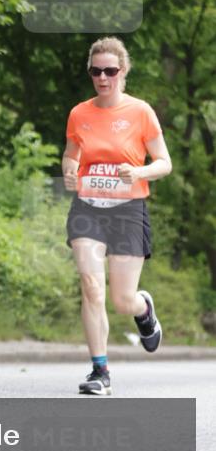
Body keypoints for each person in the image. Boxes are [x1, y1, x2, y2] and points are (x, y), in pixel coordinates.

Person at [62, 36, 172, 396]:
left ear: (123, 72)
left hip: (127, 209)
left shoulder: (140, 112)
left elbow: (164, 163)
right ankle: (99, 371)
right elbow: (71, 155)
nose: (103, 78)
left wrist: (139, 173)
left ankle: (143, 309)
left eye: (110, 71)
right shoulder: (80, 113)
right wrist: (69, 169)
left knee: (121, 299)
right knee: (91, 287)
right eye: (96, 71)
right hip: (88, 207)